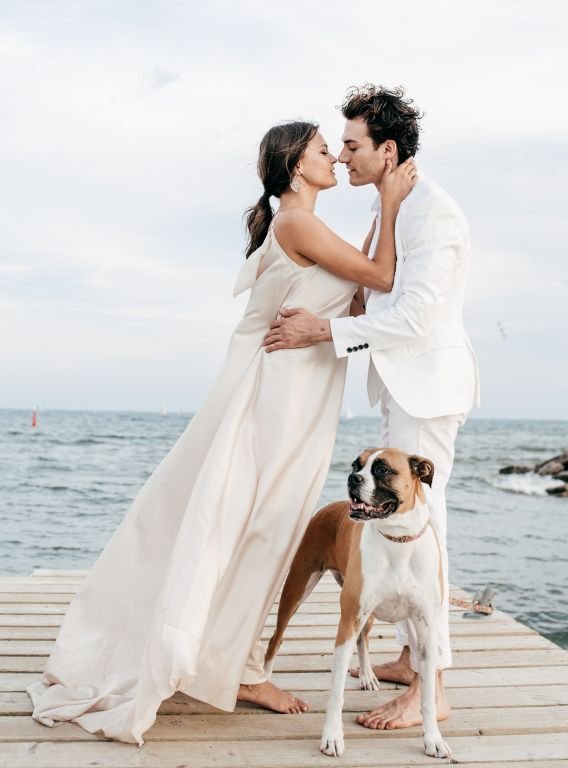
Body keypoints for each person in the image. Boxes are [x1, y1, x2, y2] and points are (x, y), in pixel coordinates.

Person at [26, 120, 417, 745]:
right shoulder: (295, 222)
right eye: (322, 149)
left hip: (305, 390)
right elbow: (381, 276)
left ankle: (235, 661)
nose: (330, 157)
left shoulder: (303, 224)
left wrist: (378, 221)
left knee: (267, 529)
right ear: (295, 167)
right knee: (265, 528)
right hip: (284, 396)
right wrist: (392, 204)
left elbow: (358, 293)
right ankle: (242, 669)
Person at [263, 85, 480, 731]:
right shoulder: (397, 206)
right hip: (403, 387)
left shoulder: (432, 213)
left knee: (426, 532)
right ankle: (411, 657)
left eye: (353, 145)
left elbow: (416, 314)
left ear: (387, 150)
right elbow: (380, 290)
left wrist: (323, 332)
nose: (346, 156)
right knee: (413, 529)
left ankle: (429, 690)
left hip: (428, 387)